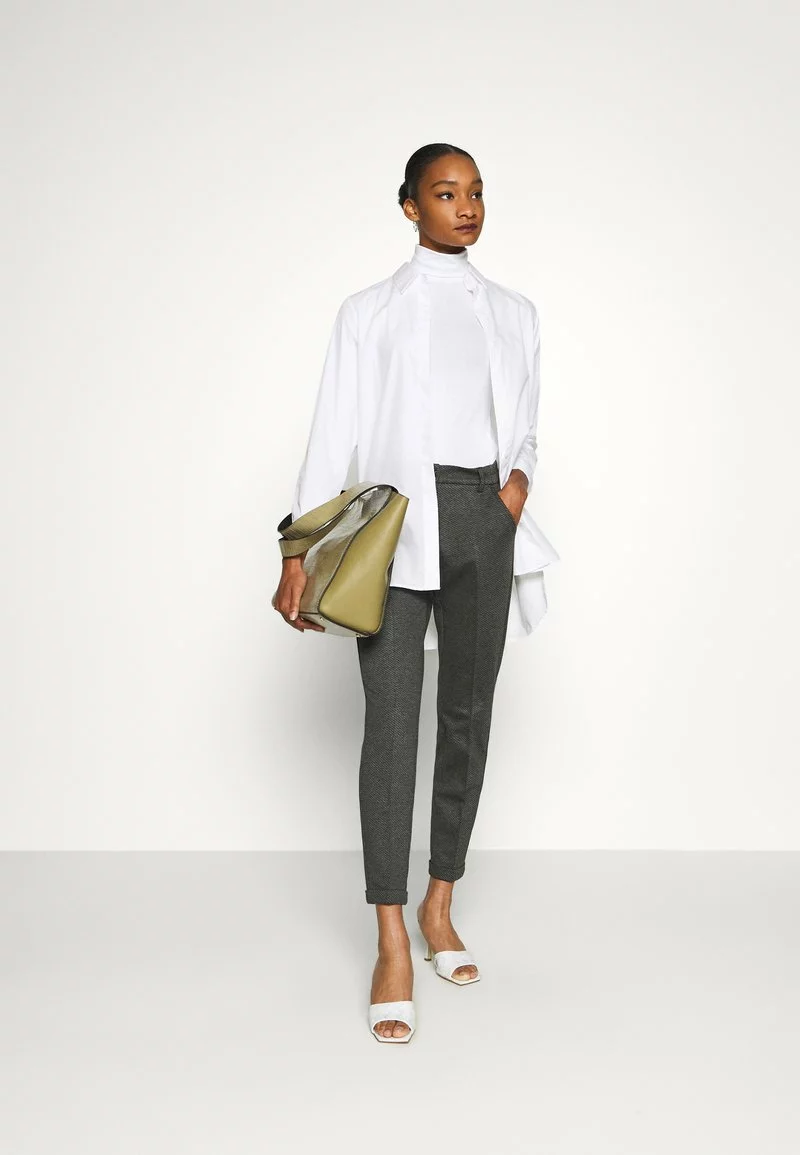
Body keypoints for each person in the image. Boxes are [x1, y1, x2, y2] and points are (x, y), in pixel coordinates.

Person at [272, 143, 559, 1043]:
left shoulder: (515, 312)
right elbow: (334, 429)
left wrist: (513, 492)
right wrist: (298, 548)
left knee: (468, 714)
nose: (465, 206)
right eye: (445, 192)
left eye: (475, 192)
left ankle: (441, 902)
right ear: (409, 206)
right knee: (391, 726)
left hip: (482, 515)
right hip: (394, 526)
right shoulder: (369, 313)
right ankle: (391, 934)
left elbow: (526, 422)